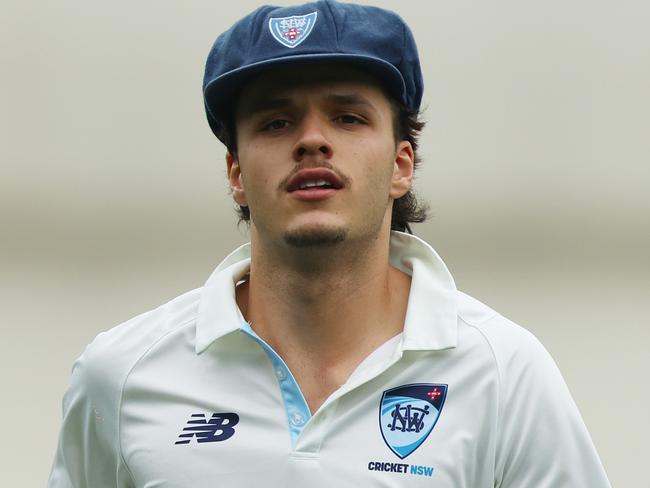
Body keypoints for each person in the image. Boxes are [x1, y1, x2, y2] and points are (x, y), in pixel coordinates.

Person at [48, 1, 611, 486]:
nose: (312, 140)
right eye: (276, 122)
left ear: (400, 164)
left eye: (347, 117)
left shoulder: (503, 373)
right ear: (236, 171)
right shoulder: (121, 374)